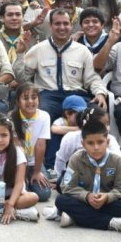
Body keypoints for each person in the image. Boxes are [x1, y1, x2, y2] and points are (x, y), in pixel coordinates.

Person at [20, 9, 108, 169]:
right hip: (48, 94)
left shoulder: (82, 51)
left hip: (76, 94)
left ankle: (96, 161)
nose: (62, 27)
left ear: (71, 25)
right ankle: (46, 165)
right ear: (51, 26)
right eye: (57, 23)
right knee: (42, 113)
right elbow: (22, 76)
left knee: (95, 114)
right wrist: (20, 53)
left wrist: (100, 93)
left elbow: (91, 78)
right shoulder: (39, 49)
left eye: (65, 23)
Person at [53, 117, 121, 234]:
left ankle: (75, 217)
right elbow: (67, 187)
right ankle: (112, 222)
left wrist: (107, 197)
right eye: (90, 143)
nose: (96, 147)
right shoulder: (76, 159)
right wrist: (86, 196)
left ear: (107, 142)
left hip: (105, 203)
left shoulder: (116, 161)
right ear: (83, 144)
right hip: (84, 201)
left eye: (100, 142)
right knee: (61, 200)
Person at [9, 83, 53, 202]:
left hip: (35, 162)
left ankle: (38, 177)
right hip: (17, 163)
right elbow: (18, 148)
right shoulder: (11, 117)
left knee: (44, 194)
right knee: (21, 190)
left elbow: (40, 145)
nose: (30, 101)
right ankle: (24, 183)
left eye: (34, 97)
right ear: (18, 102)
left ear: (38, 100)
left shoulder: (44, 116)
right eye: (25, 98)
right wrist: (22, 176)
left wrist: (37, 171)